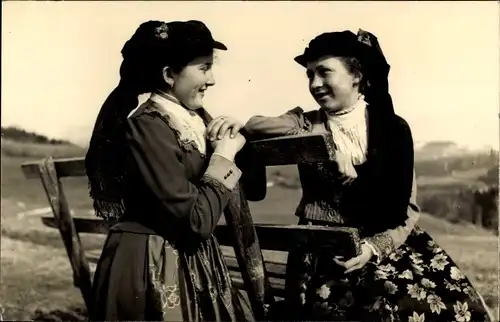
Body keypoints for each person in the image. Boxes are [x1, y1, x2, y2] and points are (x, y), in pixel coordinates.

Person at [207, 30, 493, 321]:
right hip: (322, 252)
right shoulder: (305, 121)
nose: (315, 84)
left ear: (356, 76)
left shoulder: (390, 128)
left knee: (451, 307)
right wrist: (324, 146)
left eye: (324, 72)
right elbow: (257, 125)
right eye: (309, 75)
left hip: (384, 243)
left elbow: (407, 207)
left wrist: (372, 248)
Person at [85, 20, 257, 321]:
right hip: (151, 262)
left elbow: (255, 191)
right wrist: (224, 157)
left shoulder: (196, 120)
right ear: (168, 75)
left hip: (191, 259)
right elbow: (196, 221)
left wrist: (239, 134)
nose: (212, 79)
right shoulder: (148, 125)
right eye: (204, 68)